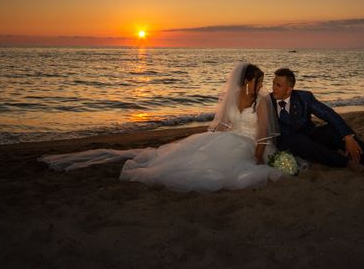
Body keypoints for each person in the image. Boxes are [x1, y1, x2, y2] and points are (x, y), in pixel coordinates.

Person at [40, 63, 285, 192]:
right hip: (230, 138)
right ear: (246, 81)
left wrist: (257, 158)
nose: (261, 85)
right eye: (258, 81)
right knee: (199, 155)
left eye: (262, 81)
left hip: (250, 143)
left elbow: (262, 131)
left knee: (221, 168)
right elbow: (224, 124)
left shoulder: (262, 100)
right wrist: (209, 139)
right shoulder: (234, 96)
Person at [270, 67, 364, 172]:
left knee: (332, 130)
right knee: (299, 140)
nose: (273, 88)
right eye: (273, 83)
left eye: (278, 85)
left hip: (310, 136)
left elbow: (328, 113)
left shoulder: (304, 97)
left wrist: (347, 136)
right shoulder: (267, 100)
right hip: (287, 143)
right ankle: (346, 163)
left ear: (289, 90)